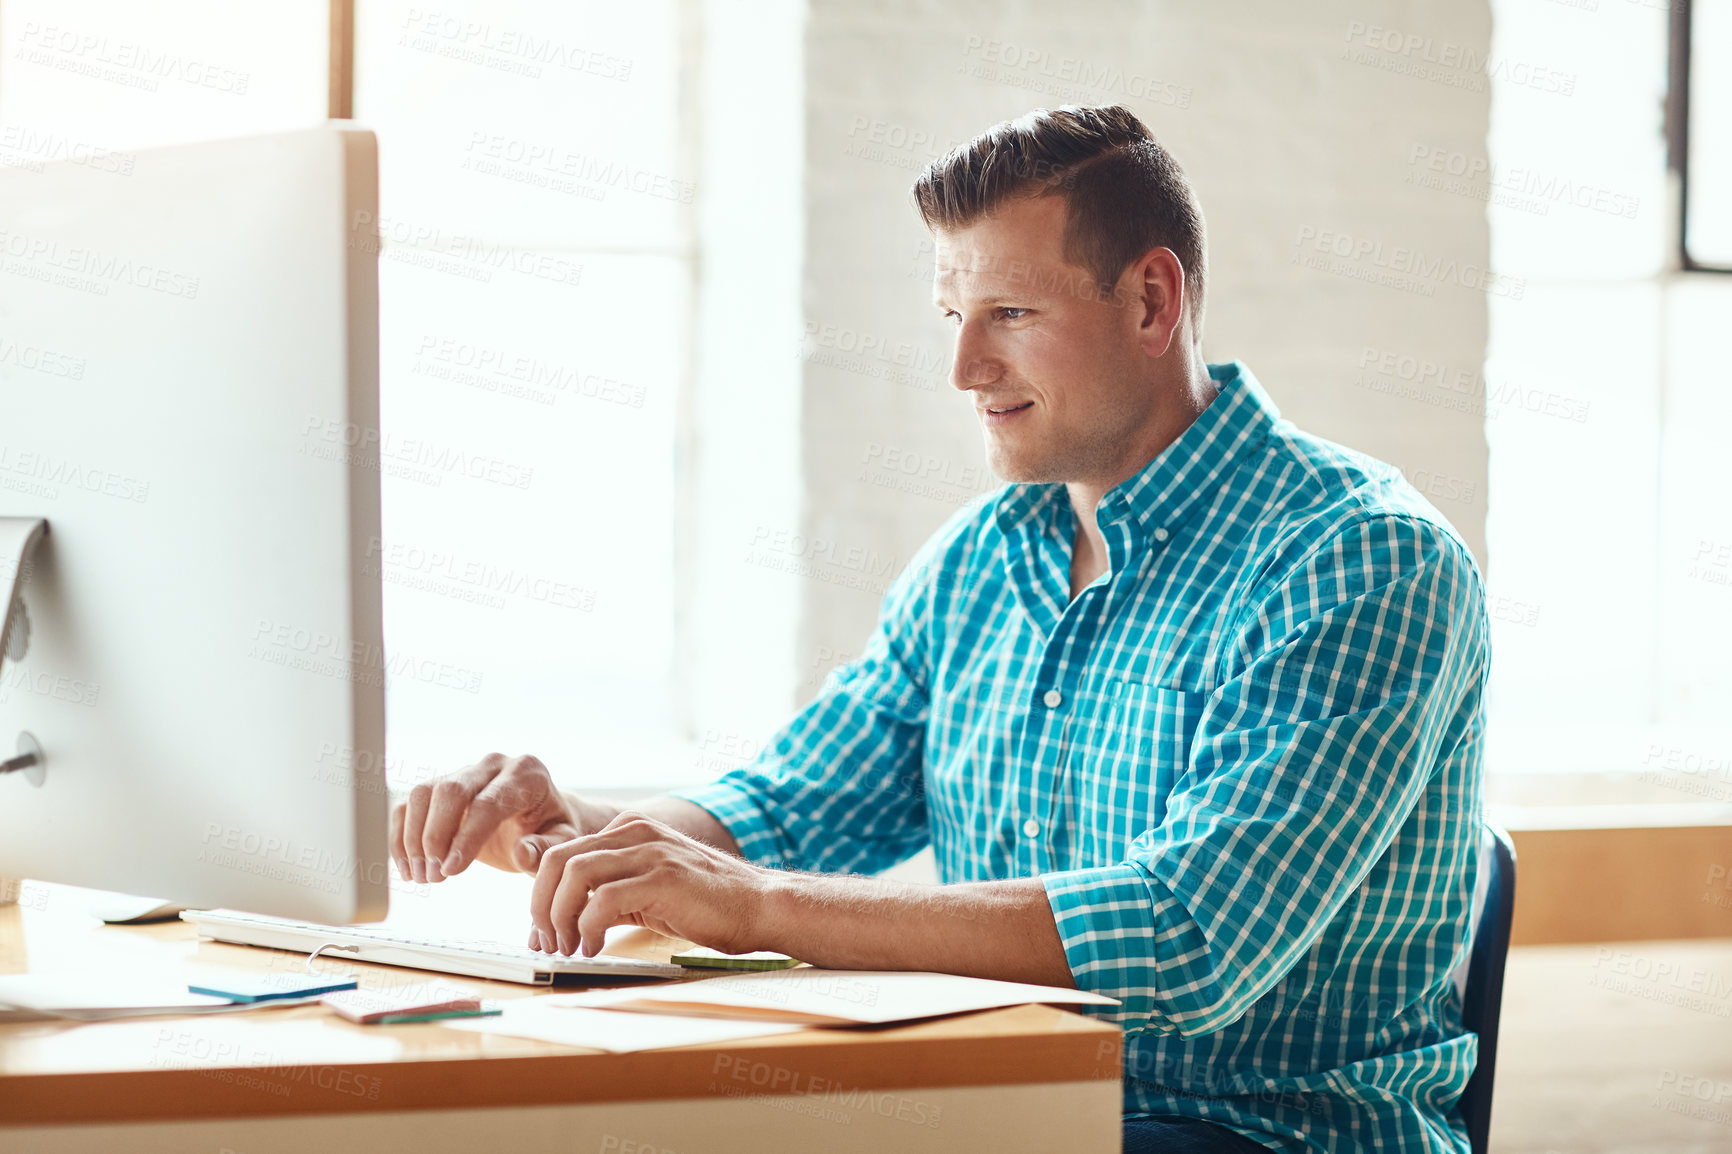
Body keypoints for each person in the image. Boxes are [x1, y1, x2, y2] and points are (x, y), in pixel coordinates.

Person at [391, 104, 1489, 1153]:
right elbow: (788, 804)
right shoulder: (980, 556)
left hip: (1256, 1131)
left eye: (1010, 314)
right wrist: (580, 836)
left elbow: (1188, 933)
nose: (963, 370)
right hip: (1010, 1100)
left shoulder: (1360, 558)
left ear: (1154, 301)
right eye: (951, 318)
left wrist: (760, 906)